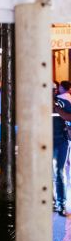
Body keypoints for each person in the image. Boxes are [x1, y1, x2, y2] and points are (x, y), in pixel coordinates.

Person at [54, 81, 71, 215]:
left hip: (61, 141)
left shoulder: (62, 102)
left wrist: (56, 108)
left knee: (59, 172)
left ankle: (61, 203)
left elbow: (69, 116)